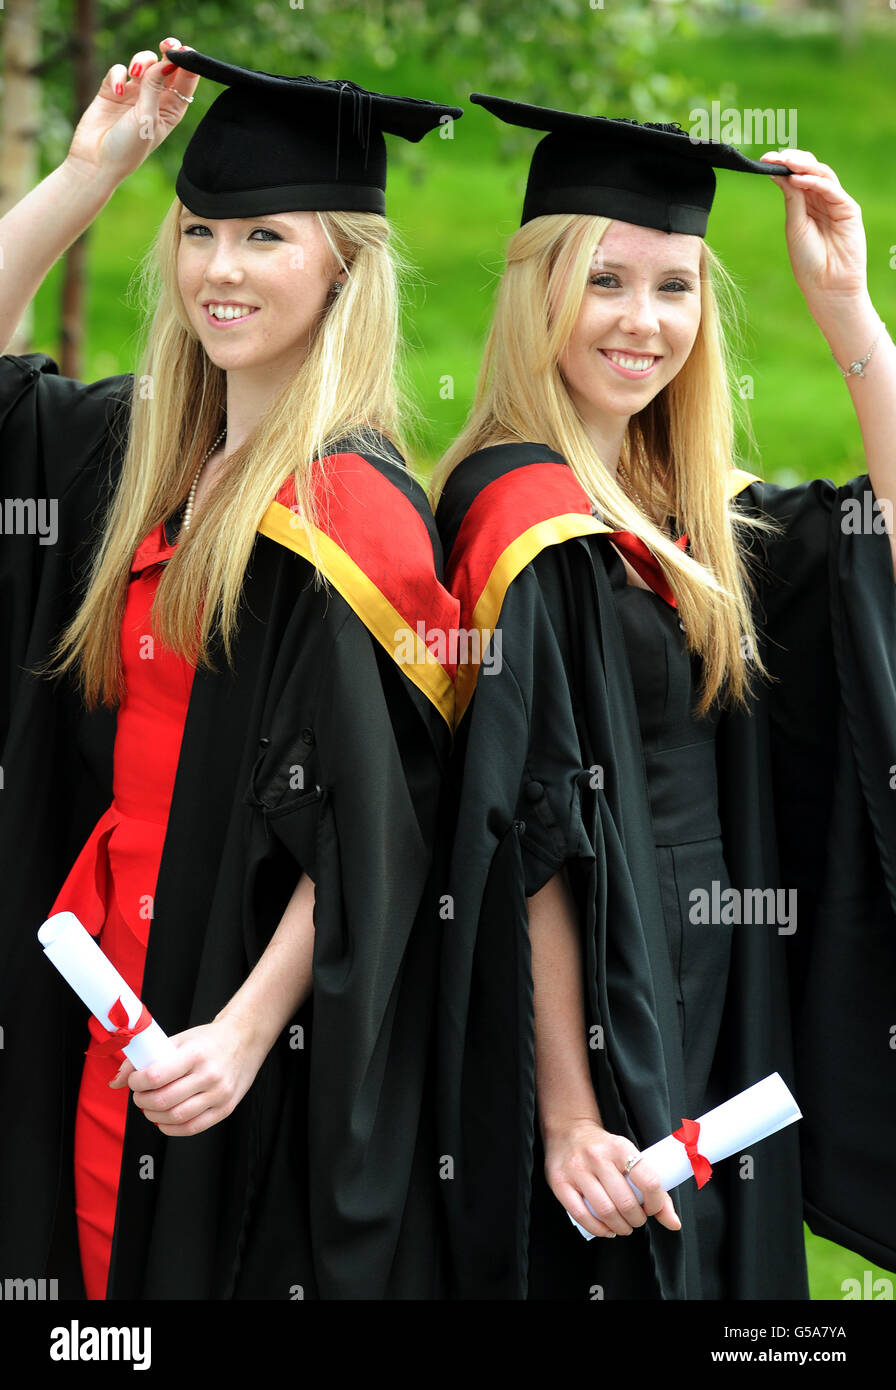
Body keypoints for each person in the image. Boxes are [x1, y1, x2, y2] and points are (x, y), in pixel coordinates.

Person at [0, 39, 462, 1299]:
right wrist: (92, 172)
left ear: (340, 269)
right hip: (88, 983)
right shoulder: (135, 457)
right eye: (200, 232)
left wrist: (246, 1030)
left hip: (217, 1021)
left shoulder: (351, 517)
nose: (220, 269)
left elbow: (374, 824)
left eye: (266, 238)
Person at [432, 93, 896, 1299]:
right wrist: (568, 1112)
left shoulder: (684, 506)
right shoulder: (514, 512)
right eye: (605, 281)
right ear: (537, 290)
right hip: (601, 982)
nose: (643, 322)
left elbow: (884, 540)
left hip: (717, 979)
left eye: (675, 286)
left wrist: (848, 317)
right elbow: (524, 829)